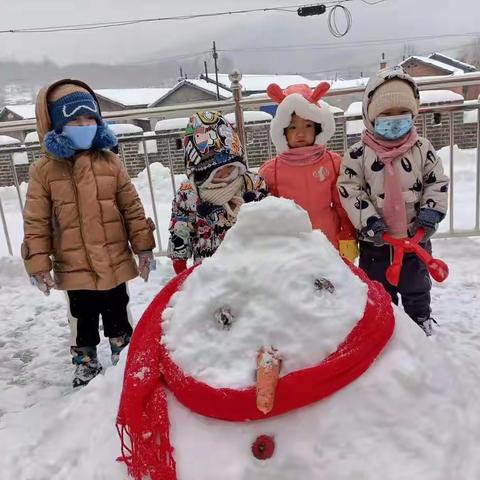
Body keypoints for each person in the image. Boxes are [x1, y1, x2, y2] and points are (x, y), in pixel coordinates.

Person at [22, 79, 156, 387]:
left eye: (89, 119)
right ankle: (85, 359)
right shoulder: (44, 171)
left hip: (113, 255)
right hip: (74, 260)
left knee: (116, 306)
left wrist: (144, 247)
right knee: (82, 314)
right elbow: (36, 222)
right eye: (74, 119)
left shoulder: (111, 163)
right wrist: (38, 262)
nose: (84, 125)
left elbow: (132, 208)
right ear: (57, 125)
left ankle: (123, 352)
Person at [337, 66, 449, 336]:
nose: (395, 120)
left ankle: (420, 322)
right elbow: (350, 188)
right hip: (377, 241)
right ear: (370, 116)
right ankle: (385, 328)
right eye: (386, 114)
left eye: (402, 113)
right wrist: (370, 222)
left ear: (413, 113)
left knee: (417, 286)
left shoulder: (423, 149)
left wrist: (431, 215)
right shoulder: (357, 153)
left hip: (415, 238)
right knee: (379, 290)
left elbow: (437, 182)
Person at [259, 82, 357, 261]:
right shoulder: (271, 171)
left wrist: (348, 233)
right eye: (293, 127)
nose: (300, 133)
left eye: (308, 126)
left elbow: (343, 205)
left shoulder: (332, 163)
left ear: (319, 127)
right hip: (292, 248)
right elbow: (268, 215)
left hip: (329, 242)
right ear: (282, 131)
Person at [167, 111, 268, 272]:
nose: (224, 174)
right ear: (201, 171)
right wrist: (179, 259)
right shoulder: (189, 194)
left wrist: (255, 200)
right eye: (216, 171)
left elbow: (269, 213)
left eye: (229, 167)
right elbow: (180, 227)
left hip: (251, 260)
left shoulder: (250, 183)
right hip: (209, 266)